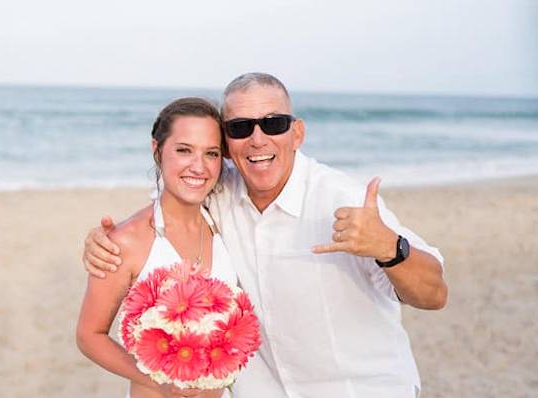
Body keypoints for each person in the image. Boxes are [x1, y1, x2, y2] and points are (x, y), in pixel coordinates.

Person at [83, 73, 448, 398]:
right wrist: (103, 242)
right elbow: (178, 191)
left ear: (298, 133)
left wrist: (389, 247)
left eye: (273, 124)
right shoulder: (221, 195)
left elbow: (434, 294)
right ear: (229, 145)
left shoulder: (342, 199)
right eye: (241, 127)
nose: (257, 139)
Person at [76, 97, 238, 398]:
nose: (198, 166)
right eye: (184, 150)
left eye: (211, 153)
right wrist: (158, 380)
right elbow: (89, 336)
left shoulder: (224, 223)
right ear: (157, 150)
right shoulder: (126, 241)